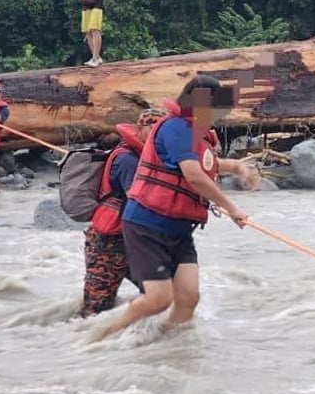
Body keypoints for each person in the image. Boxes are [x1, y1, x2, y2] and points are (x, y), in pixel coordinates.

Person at [97, 76, 253, 340]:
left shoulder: (194, 132)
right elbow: (193, 175)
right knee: (159, 299)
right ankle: (99, 338)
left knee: (189, 298)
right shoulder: (176, 128)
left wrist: (238, 167)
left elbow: (208, 164)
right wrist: (231, 208)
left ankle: (162, 346)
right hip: (148, 225)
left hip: (179, 230)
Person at [79, 109, 164, 317]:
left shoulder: (144, 157)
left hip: (134, 243)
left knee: (163, 298)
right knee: (94, 311)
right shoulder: (128, 161)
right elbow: (140, 204)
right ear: (141, 129)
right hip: (109, 245)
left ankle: (147, 336)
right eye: (154, 130)